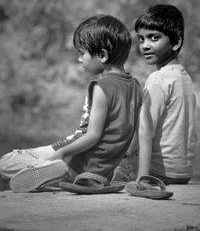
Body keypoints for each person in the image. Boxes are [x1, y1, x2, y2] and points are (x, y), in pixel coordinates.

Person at [7, 14, 143, 192]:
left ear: (102, 55)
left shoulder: (101, 87)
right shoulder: (136, 86)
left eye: (82, 53)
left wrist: (62, 153)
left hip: (80, 168)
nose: (79, 59)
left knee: (7, 162)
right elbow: (135, 137)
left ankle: (55, 172)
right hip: (105, 171)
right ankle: (50, 174)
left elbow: (92, 135)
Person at [129, 4, 197, 186]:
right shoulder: (183, 77)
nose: (145, 45)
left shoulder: (158, 79)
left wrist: (142, 177)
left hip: (158, 172)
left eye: (154, 37)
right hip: (183, 172)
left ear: (176, 42)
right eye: (141, 39)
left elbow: (145, 131)